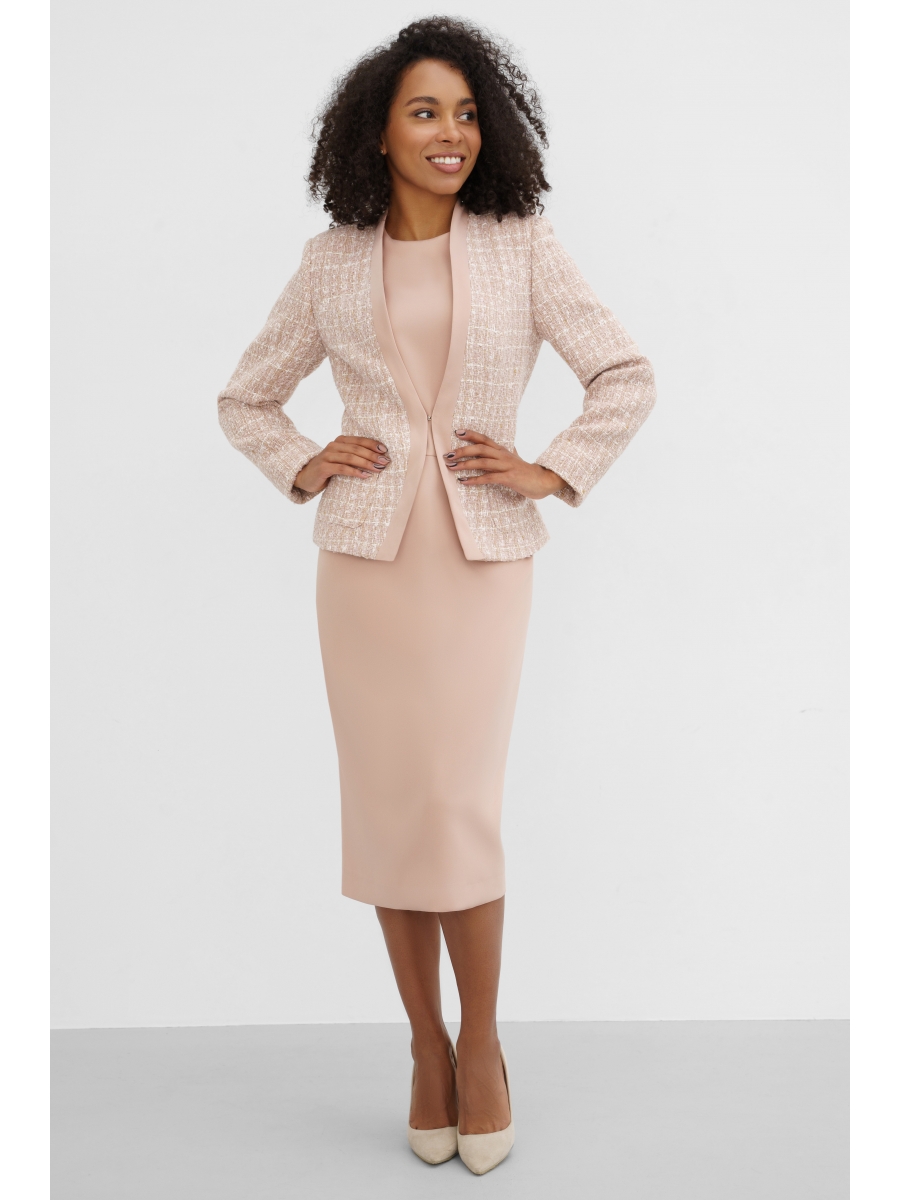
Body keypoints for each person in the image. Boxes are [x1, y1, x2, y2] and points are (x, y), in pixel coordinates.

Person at [217, 16, 655, 1175]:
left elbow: (624, 372)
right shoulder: (330, 261)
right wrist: (302, 459)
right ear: (378, 132)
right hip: (365, 571)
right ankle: (425, 1044)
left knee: (457, 806)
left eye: (465, 113)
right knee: (390, 811)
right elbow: (247, 398)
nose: (450, 132)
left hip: (479, 566)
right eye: (424, 112)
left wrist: (552, 469)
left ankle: (485, 1046)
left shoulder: (522, 244)